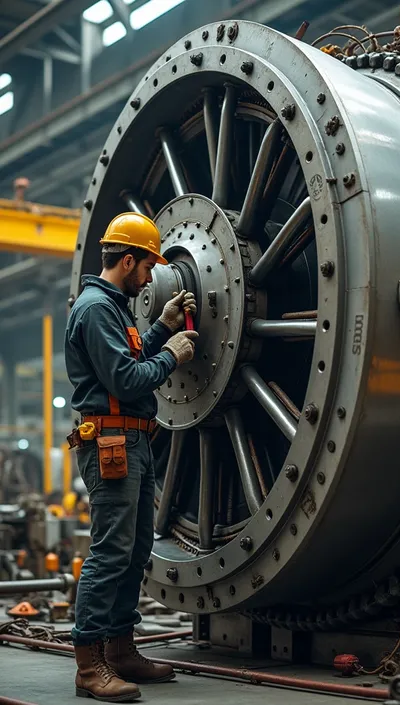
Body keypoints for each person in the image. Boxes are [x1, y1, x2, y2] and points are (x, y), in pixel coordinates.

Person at [65, 212, 198, 702]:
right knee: (110, 553)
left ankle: (120, 651)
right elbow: (127, 381)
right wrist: (174, 356)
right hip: (111, 445)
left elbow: (129, 363)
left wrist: (161, 329)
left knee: (136, 549)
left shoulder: (114, 309)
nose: (151, 276)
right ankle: (89, 665)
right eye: (147, 266)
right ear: (127, 260)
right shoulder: (97, 309)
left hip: (132, 443)